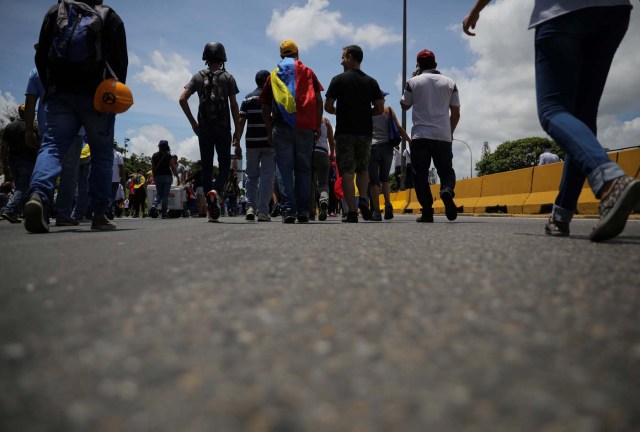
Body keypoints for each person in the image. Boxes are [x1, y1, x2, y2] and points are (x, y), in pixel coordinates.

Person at [463, 0, 640, 242]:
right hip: (613, 10)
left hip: (562, 12)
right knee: (583, 118)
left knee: (552, 110)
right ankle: (561, 215)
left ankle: (608, 179)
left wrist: (476, 9)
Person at [25, 0, 128, 233]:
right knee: (101, 155)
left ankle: (38, 196)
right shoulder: (109, 16)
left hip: (60, 93)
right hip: (97, 96)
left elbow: (41, 55)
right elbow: (120, 62)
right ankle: (99, 214)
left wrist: (52, 86)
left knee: (51, 147)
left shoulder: (56, 11)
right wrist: (114, 94)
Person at [261, 39, 324, 224]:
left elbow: (265, 106)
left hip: (281, 127)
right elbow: (319, 101)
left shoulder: (273, 74)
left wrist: (268, 130)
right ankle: (303, 210)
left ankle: (288, 210)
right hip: (305, 127)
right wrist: (316, 125)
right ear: (298, 53)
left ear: (281, 55)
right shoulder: (308, 72)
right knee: (304, 169)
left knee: (284, 169)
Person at [179, 41, 241, 223]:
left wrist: (193, 123)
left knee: (206, 167)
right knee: (223, 166)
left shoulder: (198, 76)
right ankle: (216, 191)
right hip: (223, 128)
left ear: (205, 58)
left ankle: (210, 204)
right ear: (223, 58)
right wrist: (238, 132)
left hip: (204, 128)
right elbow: (234, 106)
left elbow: (182, 99)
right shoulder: (228, 77)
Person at [324, 44, 384, 223]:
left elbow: (327, 106)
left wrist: (337, 112)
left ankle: (351, 212)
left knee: (348, 172)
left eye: (343, 57)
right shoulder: (372, 81)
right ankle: (363, 200)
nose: (341, 61)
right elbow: (380, 108)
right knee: (363, 169)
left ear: (350, 57)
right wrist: (366, 113)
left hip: (345, 133)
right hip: (365, 132)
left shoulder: (338, 80)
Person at [400, 49, 461, 223]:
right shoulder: (450, 82)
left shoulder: (413, 82)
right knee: (446, 170)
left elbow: (404, 105)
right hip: (442, 136)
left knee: (420, 175)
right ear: (435, 64)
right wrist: (449, 133)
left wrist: (412, 79)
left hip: (420, 136)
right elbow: (455, 113)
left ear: (418, 65)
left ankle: (427, 212)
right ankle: (447, 190)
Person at [236, 70, 275, 222]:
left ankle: (250, 207)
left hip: (251, 143)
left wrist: (237, 142)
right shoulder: (272, 98)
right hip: (269, 142)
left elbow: (241, 121)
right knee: (267, 177)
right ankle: (263, 212)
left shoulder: (247, 98)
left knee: (251, 177)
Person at [369, 93, 411, 221]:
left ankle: (376, 211)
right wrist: (409, 140)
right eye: (382, 101)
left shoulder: (368, 113)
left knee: (374, 181)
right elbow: (399, 128)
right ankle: (388, 204)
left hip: (372, 148)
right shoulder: (389, 111)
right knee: (385, 179)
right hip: (387, 148)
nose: (383, 104)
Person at [1, 105, 38, 223]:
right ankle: (9, 210)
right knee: (24, 187)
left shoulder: (10, 127)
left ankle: (20, 213)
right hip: (27, 160)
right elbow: (38, 145)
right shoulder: (33, 127)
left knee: (19, 187)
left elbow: (4, 147)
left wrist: (4, 164)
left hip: (12, 160)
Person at [310, 117, 336, 221]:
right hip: (323, 154)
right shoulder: (326, 123)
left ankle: (311, 212)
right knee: (323, 183)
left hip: (310, 154)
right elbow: (331, 141)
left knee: (311, 184)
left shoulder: (309, 119)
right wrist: (332, 154)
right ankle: (324, 199)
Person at [149, 140, 180, 219]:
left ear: (159, 146)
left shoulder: (154, 155)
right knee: (165, 195)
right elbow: (173, 167)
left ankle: (154, 205)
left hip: (157, 176)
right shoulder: (168, 156)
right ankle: (164, 213)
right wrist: (177, 176)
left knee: (159, 193)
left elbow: (153, 167)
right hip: (167, 176)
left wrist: (154, 177)